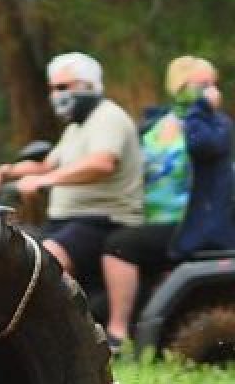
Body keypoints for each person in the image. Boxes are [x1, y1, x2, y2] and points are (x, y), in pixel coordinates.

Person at [100, 55, 235, 349]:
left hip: (192, 225)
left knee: (120, 245)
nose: (212, 91)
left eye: (213, 84)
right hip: (149, 218)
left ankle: (117, 333)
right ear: (179, 86)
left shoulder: (216, 125)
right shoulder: (153, 126)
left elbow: (202, 146)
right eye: (202, 84)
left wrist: (201, 110)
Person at [0, 51, 144, 293]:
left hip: (103, 221)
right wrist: (3, 172)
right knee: (12, 251)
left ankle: (63, 317)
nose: (56, 95)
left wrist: (44, 181)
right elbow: (47, 165)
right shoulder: (76, 127)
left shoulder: (108, 118)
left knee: (45, 261)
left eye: (63, 87)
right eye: (53, 89)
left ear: (88, 85)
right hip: (66, 222)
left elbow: (102, 164)